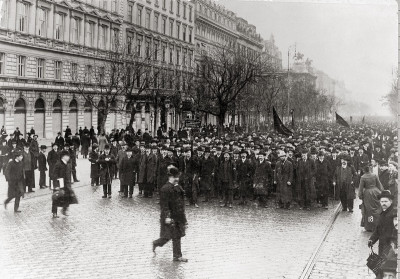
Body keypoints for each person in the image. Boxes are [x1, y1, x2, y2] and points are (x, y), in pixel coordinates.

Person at [152, 166, 188, 262]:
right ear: (171, 177)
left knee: (177, 236)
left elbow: (181, 203)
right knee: (166, 237)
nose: (178, 179)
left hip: (178, 215)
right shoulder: (165, 189)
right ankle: (155, 243)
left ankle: (177, 256)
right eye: (176, 177)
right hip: (169, 216)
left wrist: (184, 219)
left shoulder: (178, 187)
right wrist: (167, 217)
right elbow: (164, 205)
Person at [368, 190, 396, 258]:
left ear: (391, 201)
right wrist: (372, 239)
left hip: (391, 247)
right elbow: (378, 229)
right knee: (382, 265)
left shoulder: (394, 214)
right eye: (382, 201)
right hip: (382, 245)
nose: (383, 203)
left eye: (386, 201)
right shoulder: (382, 213)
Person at [51, 150, 78, 218]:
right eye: (67, 156)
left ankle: (64, 209)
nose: (68, 157)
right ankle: (54, 212)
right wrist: (56, 185)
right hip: (59, 184)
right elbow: (54, 175)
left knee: (67, 197)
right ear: (63, 157)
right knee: (56, 198)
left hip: (67, 184)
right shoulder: (58, 164)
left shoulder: (68, 164)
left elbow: (69, 174)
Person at [359, 165, 383, 232]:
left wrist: (360, 196)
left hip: (367, 194)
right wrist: (381, 192)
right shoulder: (374, 175)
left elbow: (360, 188)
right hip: (376, 192)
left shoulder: (363, 177)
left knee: (369, 210)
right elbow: (379, 185)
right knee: (376, 208)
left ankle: (370, 226)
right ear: (370, 169)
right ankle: (377, 225)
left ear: (364, 170)